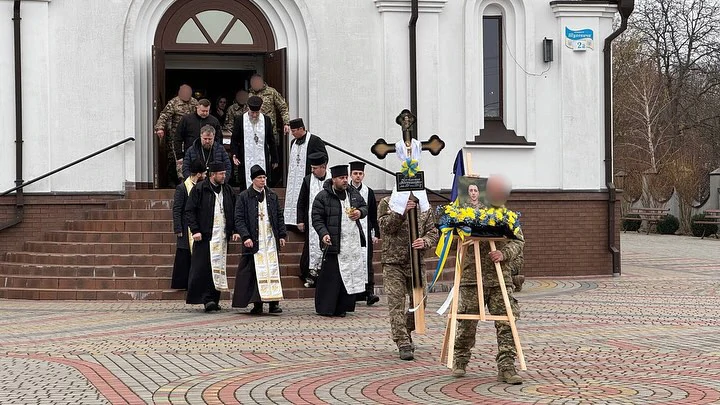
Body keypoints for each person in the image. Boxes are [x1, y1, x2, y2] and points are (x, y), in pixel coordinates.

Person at [452, 174, 525, 384]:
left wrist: (504, 254)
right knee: (467, 323)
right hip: (471, 277)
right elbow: (450, 239)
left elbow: (518, 240)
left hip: (499, 278)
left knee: (507, 322)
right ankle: (460, 359)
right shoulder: (461, 213)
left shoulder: (503, 214)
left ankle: (507, 366)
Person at [378, 195, 439, 360]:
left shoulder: (424, 205)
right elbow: (385, 227)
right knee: (396, 303)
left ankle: (405, 328)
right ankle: (402, 341)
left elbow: (433, 232)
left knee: (420, 302)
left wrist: (425, 241)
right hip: (393, 262)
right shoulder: (387, 203)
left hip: (416, 262)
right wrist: (401, 212)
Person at [311, 165, 368, 317]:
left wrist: (359, 212)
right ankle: (326, 308)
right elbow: (316, 218)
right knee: (332, 277)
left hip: (351, 243)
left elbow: (364, 206)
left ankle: (343, 307)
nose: (344, 181)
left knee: (348, 275)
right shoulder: (323, 196)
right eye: (341, 178)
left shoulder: (353, 193)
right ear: (333, 179)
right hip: (334, 241)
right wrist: (323, 234)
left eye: (345, 177)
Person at [184, 162, 240, 312]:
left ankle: (215, 299)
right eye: (221, 174)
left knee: (218, 267)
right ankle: (207, 299)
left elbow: (234, 210)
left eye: (224, 173)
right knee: (205, 268)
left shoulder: (227, 190)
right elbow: (189, 211)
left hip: (221, 236)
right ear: (212, 175)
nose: (224, 176)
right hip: (205, 236)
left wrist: (234, 230)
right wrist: (195, 230)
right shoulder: (200, 189)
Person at [232, 165, 287, 315]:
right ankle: (257, 304)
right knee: (256, 272)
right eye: (259, 178)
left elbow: (279, 216)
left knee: (272, 271)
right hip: (255, 241)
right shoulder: (244, 196)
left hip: (269, 240)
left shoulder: (272, 195)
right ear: (253, 180)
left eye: (264, 177)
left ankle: (274, 303)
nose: (262, 180)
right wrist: (246, 236)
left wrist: (282, 235)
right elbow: (239, 218)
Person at [283, 118, 328, 226]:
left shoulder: (315, 140)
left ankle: (303, 220)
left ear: (301, 129)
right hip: (294, 178)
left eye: (294, 131)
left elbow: (324, 158)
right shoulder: (293, 142)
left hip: (308, 177)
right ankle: (291, 221)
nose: (292, 134)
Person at [296, 152, 332, 287]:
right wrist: (300, 220)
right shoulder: (307, 180)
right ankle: (310, 275)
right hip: (312, 221)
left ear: (323, 167)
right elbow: (301, 201)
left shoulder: (332, 179)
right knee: (311, 247)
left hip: (329, 220)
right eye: (312, 168)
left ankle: (325, 277)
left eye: (315, 168)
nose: (312, 170)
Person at [349, 161, 381, 306]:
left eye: (360, 173)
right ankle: (352, 293)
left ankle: (369, 292)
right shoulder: (346, 190)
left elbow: (373, 214)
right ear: (351, 175)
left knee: (367, 261)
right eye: (355, 173)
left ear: (363, 175)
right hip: (350, 231)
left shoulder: (369, 192)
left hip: (366, 232)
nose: (358, 176)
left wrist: (376, 233)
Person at [171, 159, 207, 290]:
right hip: (186, 227)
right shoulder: (182, 188)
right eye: (204, 173)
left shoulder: (201, 187)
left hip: (198, 225)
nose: (205, 175)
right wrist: (178, 227)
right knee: (184, 254)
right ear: (198, 174)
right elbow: (177, 209)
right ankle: (184, 283)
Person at [154, 84, 198, 186]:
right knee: (175, 158)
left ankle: (190, 180)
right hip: (176, 136)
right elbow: (164, 115)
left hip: (191, 135)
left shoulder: (194, 102)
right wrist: (160, 128)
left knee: (191, 157)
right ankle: (178, 181)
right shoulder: (174, 102)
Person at [230, 96, 277, 189]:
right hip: (245, 157)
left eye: (257, 112)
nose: (255, 115)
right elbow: (234, 139)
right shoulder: (240, 120)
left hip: (262, 157)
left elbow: (271, 141)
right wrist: (234, 154)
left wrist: (275, 159)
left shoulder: (266, 120)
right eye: (252, 112)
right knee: (245, 182)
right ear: (248, 109)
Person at [247, 74, 290, 144]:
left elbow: (283, 107)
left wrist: (286, 123)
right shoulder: (249, 94)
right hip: (253, 131)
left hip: (270, 130)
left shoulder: (271, 92)